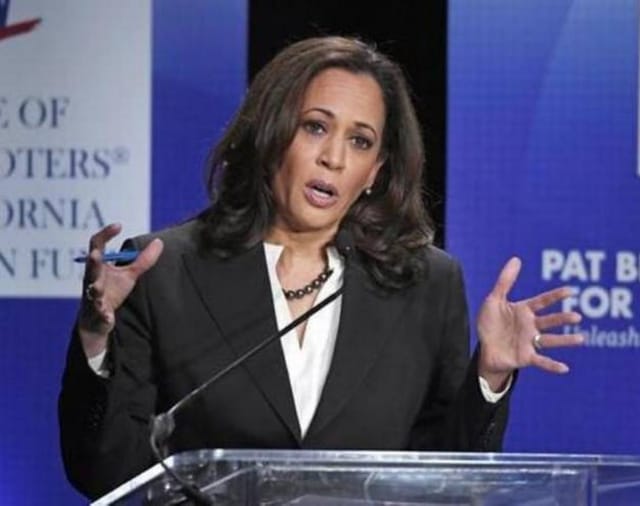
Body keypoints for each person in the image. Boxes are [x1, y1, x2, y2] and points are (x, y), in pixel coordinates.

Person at [58, 36, 583, 499]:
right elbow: (105, 474)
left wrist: (490, 375)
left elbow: (448, 482)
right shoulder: (166, 270)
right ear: (270, 133)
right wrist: (96, 339)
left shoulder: (426, 284)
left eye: (360, 141)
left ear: (375, 172)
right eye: (315, 127)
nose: (334, 157)